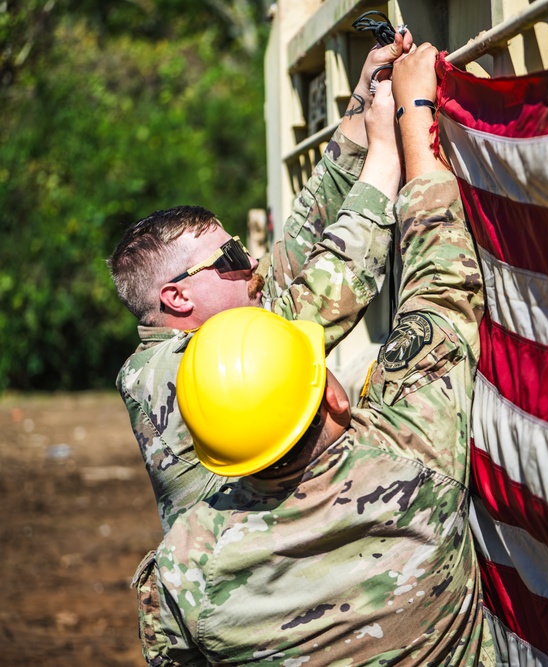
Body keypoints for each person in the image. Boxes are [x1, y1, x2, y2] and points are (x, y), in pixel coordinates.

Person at [134, 44, 496, 666]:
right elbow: (345, 294)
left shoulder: (179, 577)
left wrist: (358, 116)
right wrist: (402, 137)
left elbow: (291, 263)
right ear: (330, 389)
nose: (250, 266)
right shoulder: (416, 468)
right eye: (229, 261)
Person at [108, 29, 412, 533]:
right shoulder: (172, 372)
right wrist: (385, 157)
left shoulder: (199, 338)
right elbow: (319, 296)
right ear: (177, 296)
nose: (248, 259)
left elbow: (299, 240)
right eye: (228, 256)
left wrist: (362, 100)